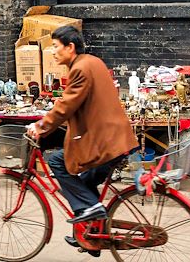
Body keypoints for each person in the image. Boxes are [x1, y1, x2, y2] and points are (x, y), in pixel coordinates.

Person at [25, 26, 136, 250]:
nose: (53, 52)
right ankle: (91, 233)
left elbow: (66, 106)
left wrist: (41, 126)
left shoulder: (79, 69)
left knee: (58, 161)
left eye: (56, 46)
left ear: (70, 47)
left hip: (104, 141)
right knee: (83, 182)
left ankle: (91, 211)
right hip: (115, 137)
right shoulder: (92, 61)